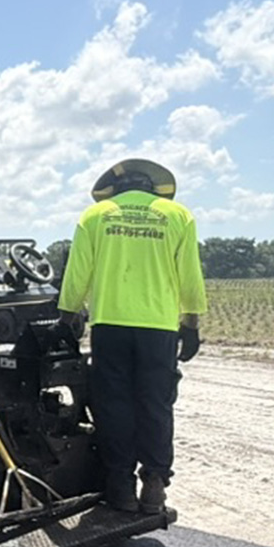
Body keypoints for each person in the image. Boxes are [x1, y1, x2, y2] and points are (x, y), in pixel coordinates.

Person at [56, 159, 207, 515]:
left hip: (110, 326)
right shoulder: (178, 216)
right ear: (154, 187)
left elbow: (78, 272)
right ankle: (154, 485)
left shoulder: (95, 216)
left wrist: (67, 316)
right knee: (156, 404)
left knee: (114, 406)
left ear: (113, 188)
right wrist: (192, 323)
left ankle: (120, 485)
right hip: (159, 328)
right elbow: (190, 276)